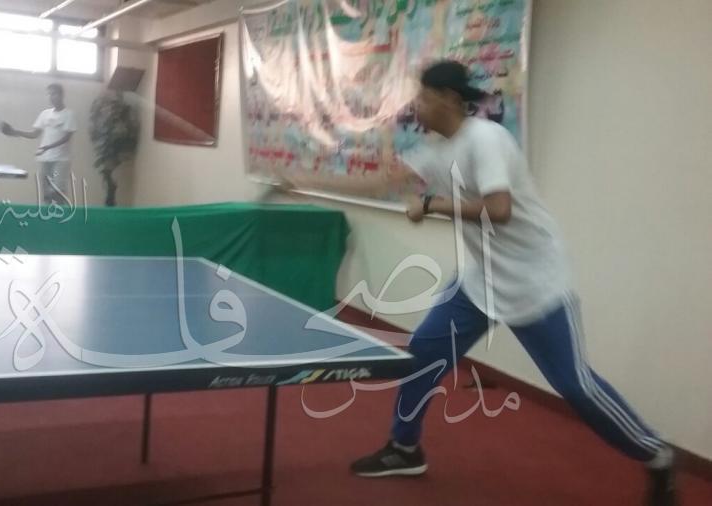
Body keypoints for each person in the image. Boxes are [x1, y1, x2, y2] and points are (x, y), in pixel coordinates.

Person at [282, 60, 677, 506]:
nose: (416, 104)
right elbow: (380, 181)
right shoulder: (434, 149)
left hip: (534, 282)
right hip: (480, 280)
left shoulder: (487, 139)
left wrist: (432, 205)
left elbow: (499, 209)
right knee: (424, 354)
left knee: (575, 386)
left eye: (424, 95)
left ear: (450, 99)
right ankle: (404, 448)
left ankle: (656, 454)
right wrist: (302, 181)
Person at [0, 83, 77, 205]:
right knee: (46, 193)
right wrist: (15, 131)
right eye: (49, 94)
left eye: (54, 94)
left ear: (61, 95)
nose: (51, 97)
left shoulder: (68, 114)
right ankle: (46, 214)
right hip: (44, 158)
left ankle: (63, 214)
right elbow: (34, 134)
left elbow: (67, 137)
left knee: (57, 192)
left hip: (61, 160)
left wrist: (48, 147)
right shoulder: (45, 114)